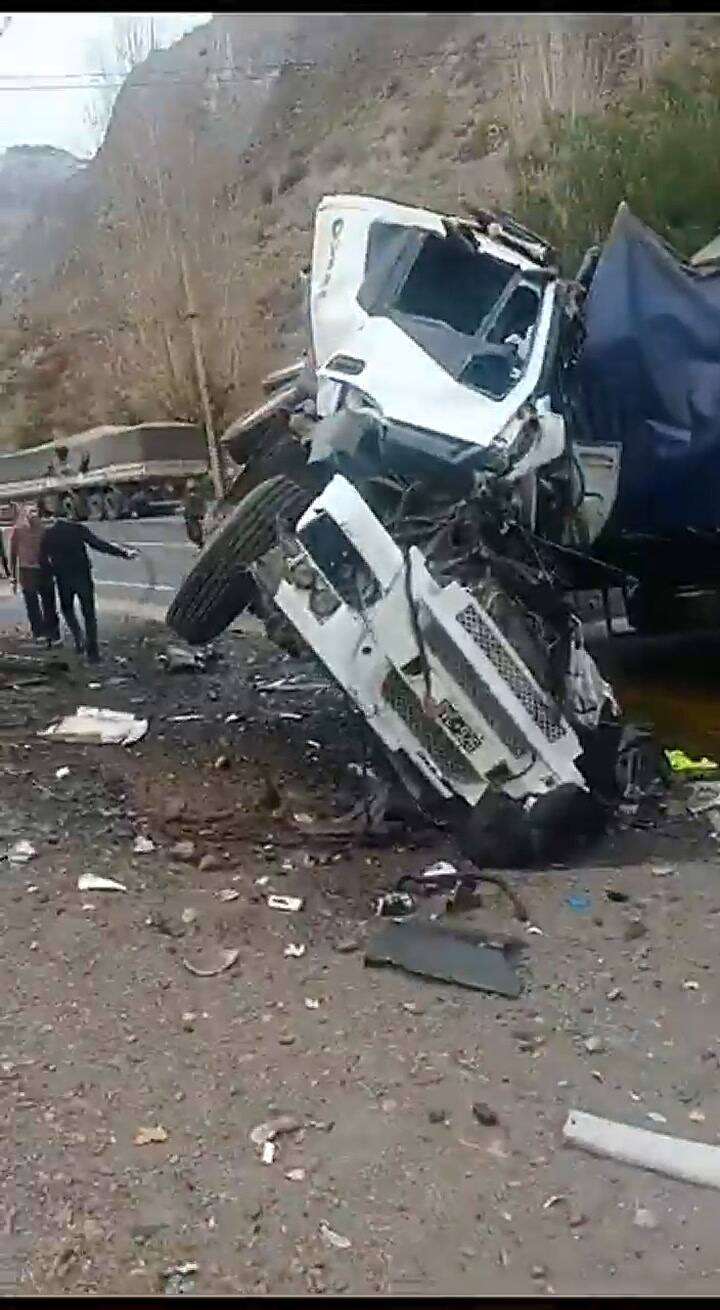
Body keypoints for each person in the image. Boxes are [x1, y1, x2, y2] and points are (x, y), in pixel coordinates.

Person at [38, 504, 137, 663]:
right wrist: (123, 553)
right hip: (83, 577)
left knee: (67, 609)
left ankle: (78, 637)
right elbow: (98, 544)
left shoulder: (48, 535)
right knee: (89, 615)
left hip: (63, 579)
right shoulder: (78, 529)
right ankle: (93, 653)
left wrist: (50, 575)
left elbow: (43, 559)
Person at [9, 504, 60, 644]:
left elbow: (52, 548)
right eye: (30, 511)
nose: (33, 514)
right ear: (24, 514)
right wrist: (12, 575)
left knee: (48, 602)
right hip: (27, 570)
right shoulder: (18, 531)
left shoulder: (44, 529)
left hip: (43, 568)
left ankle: (53, 632)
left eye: (35, 511)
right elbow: (13, 553)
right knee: (32, 603)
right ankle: (39, 632)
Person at [183, 480, 206, 550]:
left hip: (193, 516)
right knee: (195, 531)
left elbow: (187, 507)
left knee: (194, 533)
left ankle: (200, 543)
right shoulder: (197, 497)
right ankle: (200, 543)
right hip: (194, 516)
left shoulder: (190, 498)